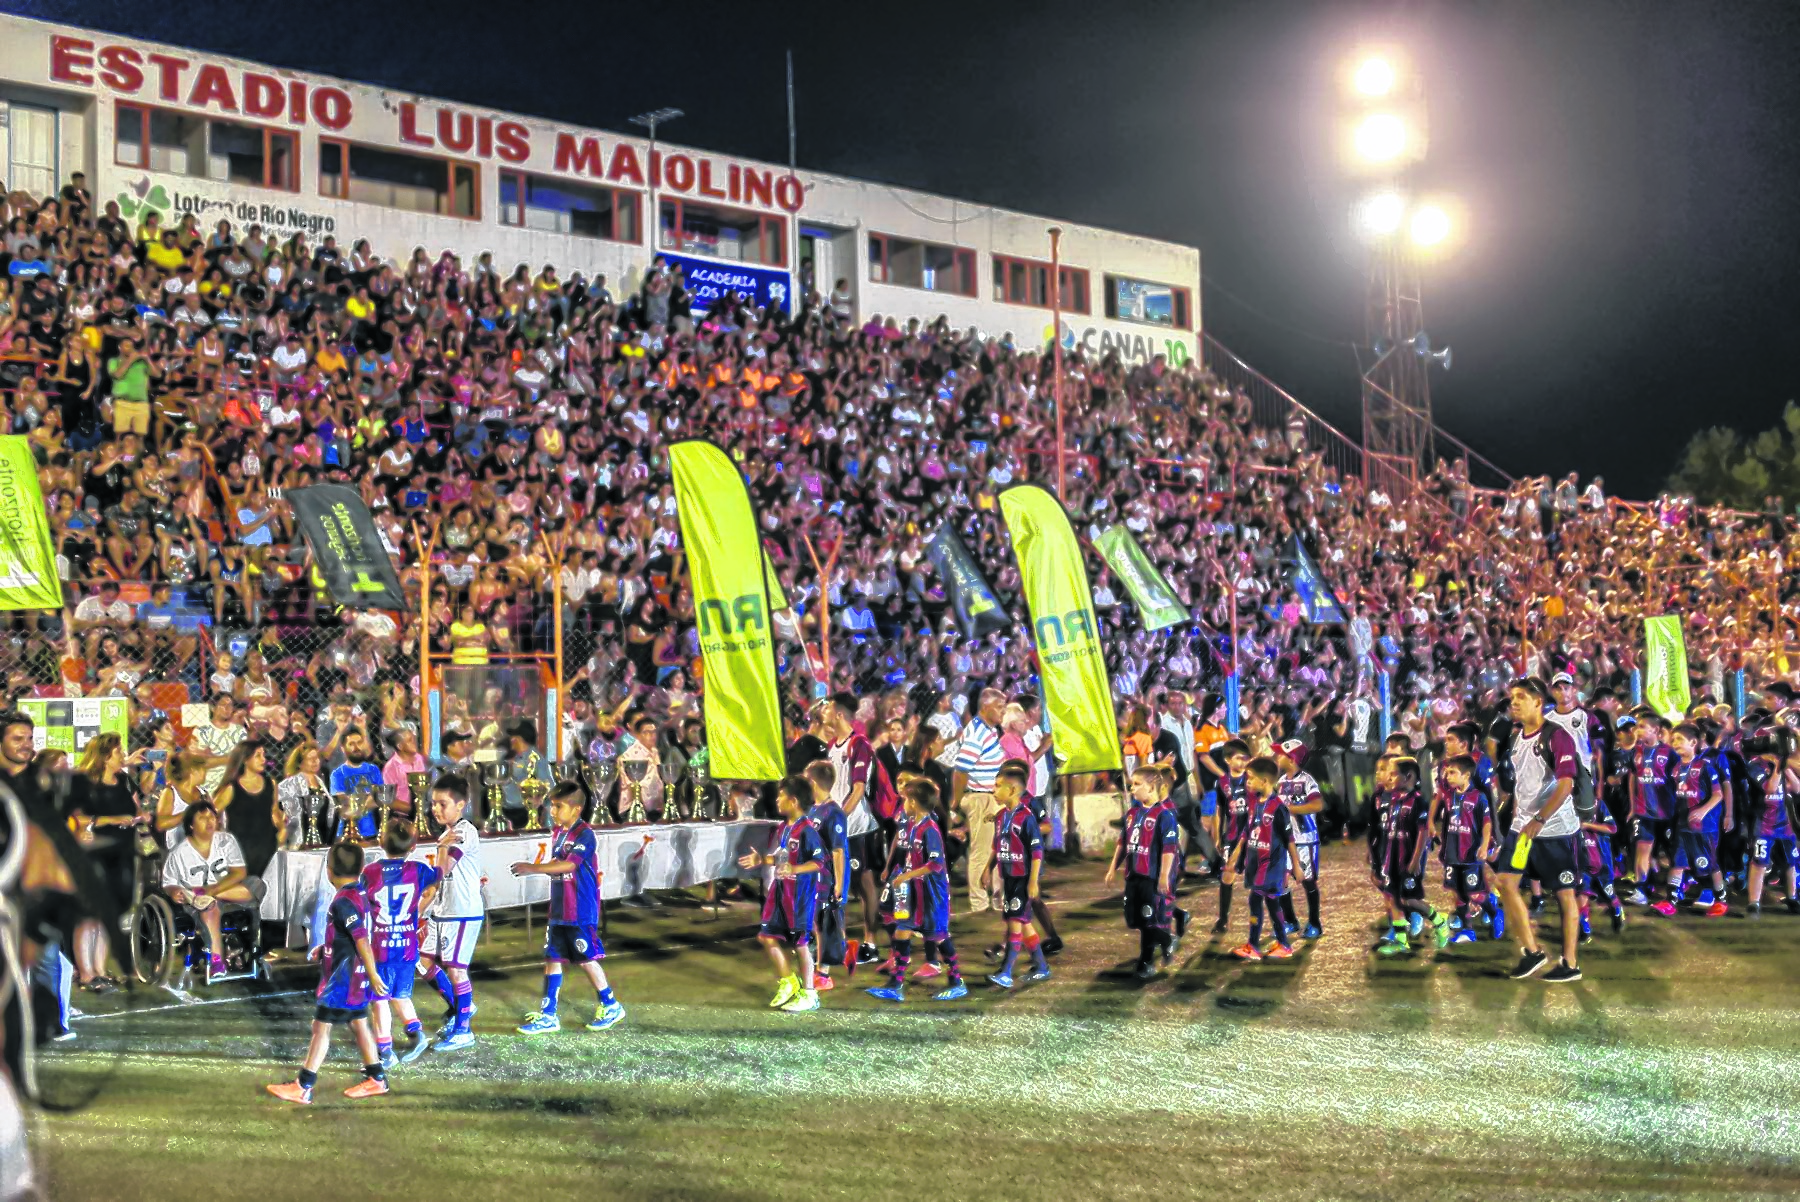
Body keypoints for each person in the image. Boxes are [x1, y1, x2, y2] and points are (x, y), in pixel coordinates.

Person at [266, 840, 391, 1104]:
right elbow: (351, 937)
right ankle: (377, 1078)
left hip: (343, 981)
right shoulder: (360, 894)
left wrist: (374, 974)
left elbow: (361, 940)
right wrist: (326, 948)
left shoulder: (343, 902)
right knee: (359, 1023)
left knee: (320, 1027)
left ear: (329, 871)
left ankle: (303, 1085)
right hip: (355, 978)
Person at [513, 781, 627, 1033]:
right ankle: (548, 1014)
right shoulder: (558, 833)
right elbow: (557, 862)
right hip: (559, 910)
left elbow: (569, 865)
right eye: (551, 806)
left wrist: (533, 868)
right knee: (552, 958)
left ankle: (611, 1004)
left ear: (576, 809)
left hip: (579, 910)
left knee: (586, 959)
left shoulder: (585, 834)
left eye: (558, 806)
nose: (552, 811)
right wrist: (542, 868)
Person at [1494, 678, 1584, 984]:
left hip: (1555, 832)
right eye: (1512, 698)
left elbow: (1566, 784)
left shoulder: (1557, 736)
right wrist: (1517, 816)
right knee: (1506, 882)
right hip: (1524, 832)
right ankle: (1532, 952)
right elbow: (1523, 784)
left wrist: (1540, 819)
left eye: (1520, 697)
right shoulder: (1518, 737)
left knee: (1564, 895)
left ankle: (1570, 963)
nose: (1514, 703)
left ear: (1538, 702)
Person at [865, 778, 963, 1003]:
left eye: (907, 799)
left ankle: (957, 981)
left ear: (916, 802)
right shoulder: (911, 825)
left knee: (938, 936)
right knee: (902, 930)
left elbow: (935, 865)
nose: (904, 802)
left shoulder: (930, 829)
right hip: (914, 892)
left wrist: (905, 876)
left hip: (932, 894)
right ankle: (895, 984)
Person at [739, 775, 824, 1013]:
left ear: (794, 800)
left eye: (781, 795)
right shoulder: (786, 828)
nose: (777, 800)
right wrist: (761, 860)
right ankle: (788, 980)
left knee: (801, 945)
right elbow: (781, 858)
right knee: (765, 936)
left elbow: (819, 862)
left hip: (799, 897)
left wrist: (795, 869)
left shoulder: (808, 830)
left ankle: (809, 994)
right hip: (781, 892)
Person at [359, 819, 439, 1067]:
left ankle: (384, 1051)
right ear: (413, 846)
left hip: (380, 948)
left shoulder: (370, 872)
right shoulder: (418, 869)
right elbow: (437, 878)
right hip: (406, 947)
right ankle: (416, 1034)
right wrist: (420, 908)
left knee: (380, 999)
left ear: (381, 842)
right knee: (400, 995)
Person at [159, 801, 263, 982]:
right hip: (198, 902)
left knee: (257, 884)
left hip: (226, 892)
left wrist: (211, 890)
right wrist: (174, 892)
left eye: (212, 817)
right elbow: (169, 883)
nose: (209, 822)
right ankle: (216, 960)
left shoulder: (225, 840)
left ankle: (247, 945)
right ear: (191, 825)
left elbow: (239, 871)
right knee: (210, 907)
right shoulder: (179, 853)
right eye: (202, 818)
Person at [417, 774, 483, 1051]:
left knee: (456, 970)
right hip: (443, 911)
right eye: (433, 804)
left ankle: (463, 1030)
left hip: (462, 912)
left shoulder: (464, 832)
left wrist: (443, 848)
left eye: (442, 804)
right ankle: (461, 1007)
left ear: (461, 805)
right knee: (422, 962)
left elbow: (442, 871)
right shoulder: (447, 834)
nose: (435, 809)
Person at [1107, 765, 1182, 978]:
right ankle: (1167, 939)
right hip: (1133, 877)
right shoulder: (1132, 814)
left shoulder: (1165, 815)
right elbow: (1123, 843)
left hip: (1150, 877)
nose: (1132, 789)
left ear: (1151, 788)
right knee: (1134, 920)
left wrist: (1163, 876)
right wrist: (1113, 867)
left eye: (1137, 785)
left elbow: (1169, 849)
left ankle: (1146, 962)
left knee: (1148, 920)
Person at [1374, 757, 1450, 957]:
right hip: (1391, 858)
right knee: (1391, 898)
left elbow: (1423, 832)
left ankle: (1439, 922)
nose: (1388, 778)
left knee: (1409, 900)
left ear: (1408, 776)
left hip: (1406, 859)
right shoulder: (1391, 799)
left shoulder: (1418, 801)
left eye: (1393, 774)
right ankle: (1401, 941)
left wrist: (1415, 860)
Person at [1226, 757, 1298, 962]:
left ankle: (1255, 945)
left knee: (1257, 899)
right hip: (1256, 864)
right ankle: (1281, 944)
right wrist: (1236, 854)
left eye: (1251, 779)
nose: (1247, 782)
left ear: (1264, 781)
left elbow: (1289, 839)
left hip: (1272, 865)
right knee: (1270, 903)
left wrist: (1295, 866)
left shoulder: (1278, 807)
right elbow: (1247, 832)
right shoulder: (1255, 804)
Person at [981, 762, 1046, 990]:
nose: (993, 790)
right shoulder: (1001, 817)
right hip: (1008, 877)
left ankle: (1006, 971)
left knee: (1015, 923)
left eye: (998, 786)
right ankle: (1040, 966)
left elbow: (1037, 852)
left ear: (1012, 791)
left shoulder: (1026, 818)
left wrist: (1033, 881)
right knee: (1024, 923)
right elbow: (997, 846)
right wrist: (987, 869)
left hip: (1022, 878)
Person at [1656, 722, 1727, 918]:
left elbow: (1718, 794)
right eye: (1673, 739)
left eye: (1679, 739)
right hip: (1682, 826)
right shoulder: (1677, 768)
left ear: (1693, 742)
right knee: (1677, 863)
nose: (1675, 743)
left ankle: (1721, 899)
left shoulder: (1705, 767)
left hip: (1704, 828)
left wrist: (1703, 811)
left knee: (1709, 865)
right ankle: (1670, 901)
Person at [951, 688, 1006, 915]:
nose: (1003, 713)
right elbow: (961, 769)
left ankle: (995, 898)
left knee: (995, 850)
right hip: (981, 797)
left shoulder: (988, 729)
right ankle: (979, 902)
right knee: (981, 851)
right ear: (986, 707)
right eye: (1000, 708)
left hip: (991, 796)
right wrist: (956, 801)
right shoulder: (976, 733)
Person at [801, 760, 849, 992]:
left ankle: (824, 973)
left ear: (812, 781)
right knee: (812, 921)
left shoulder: (834, 813)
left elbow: (838, 850)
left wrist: (839, 882)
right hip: (811, 877)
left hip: (827, 878)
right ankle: (835, 954)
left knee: (824, 923)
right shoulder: (811, 809)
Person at [1437, 756, 1495, 945]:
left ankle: (1494, 912)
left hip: (1470, 854)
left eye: (1453, 772)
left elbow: (1487, 824)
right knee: (1457, 892)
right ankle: (1467, 930)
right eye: (1447, 772)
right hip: (1452, 854)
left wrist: (1485, 845)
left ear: (1466, 775)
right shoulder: (1448, 795)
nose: (1448, 776)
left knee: (1473, 893)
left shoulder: (1479, 797)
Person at [1272, 739, 1325, 939]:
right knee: (1280, 880)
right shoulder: (1282, 781)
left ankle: (1314, 923)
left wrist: (1290, 810)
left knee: (1308, 882)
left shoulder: (1307, 781)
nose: (1277, 757)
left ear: (1292, 759)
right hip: (1286, 840)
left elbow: (1317, 805)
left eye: (1281, 754)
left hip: (1305, 840)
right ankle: (1290, 920)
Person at [1745, 733, 1800, 916]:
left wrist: (1785, 767)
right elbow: (1770, 788)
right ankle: (1754, 902)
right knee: (1759, 862)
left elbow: (1797, 787)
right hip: (1764, 824)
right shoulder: (1755, 765)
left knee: (1790, 862)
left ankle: (1792, 898)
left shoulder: (1784, 765)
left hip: (1784, 822)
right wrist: (1777, 767)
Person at [212, 740, 280, 880]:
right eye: (258, 756)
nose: (263, 760)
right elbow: (211, 813)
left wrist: (282, 828)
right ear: (245, 759)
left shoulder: (270, 783)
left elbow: (274, 811)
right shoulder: (231, 788)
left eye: (263, 755)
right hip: (241, 849)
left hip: (267, 845)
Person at [1209, 740, 1251, 933]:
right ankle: (1223, 920)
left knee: (1263, 878)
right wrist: (1217, 836)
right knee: (1227, 875)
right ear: (1227, 760)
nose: (1242, 762)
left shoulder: (1251, 781)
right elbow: (1219, 810)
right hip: (1232, 836)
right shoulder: (1222, 782)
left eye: (1245, 758)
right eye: (1238, 758)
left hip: (1252, 836)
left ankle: (1282, 918)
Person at [329, 729, 385, 840]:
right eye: (351, 744)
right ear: (343, 748)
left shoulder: (373, 769)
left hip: (372, 831)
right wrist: (367, 800)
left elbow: (381, 798)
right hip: (346, 833)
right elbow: (343, 803)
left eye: (359, 743)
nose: (356, 747)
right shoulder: (337, 774)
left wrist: (357, 802)